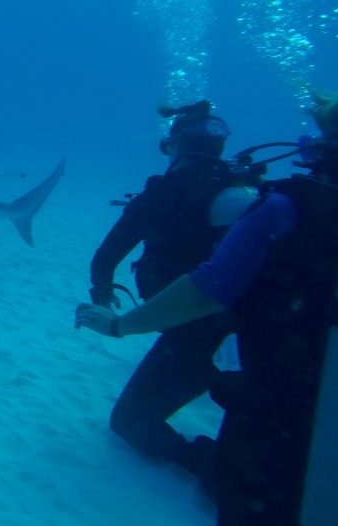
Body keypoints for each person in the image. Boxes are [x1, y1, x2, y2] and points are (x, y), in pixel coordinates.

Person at [75, 90, 338, 526]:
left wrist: (117, 321)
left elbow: (207, 286)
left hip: (270, 399)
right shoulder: (249, 190)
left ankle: (221, 489)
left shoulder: (284, 205)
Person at [89, 100, 260, 484]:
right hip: (263, 334)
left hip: (193, 335)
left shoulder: (159, 196)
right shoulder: (254, 193)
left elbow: (104, 259)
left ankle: (216, 470)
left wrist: (102, 296)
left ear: (175, 146)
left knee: (131, 421)